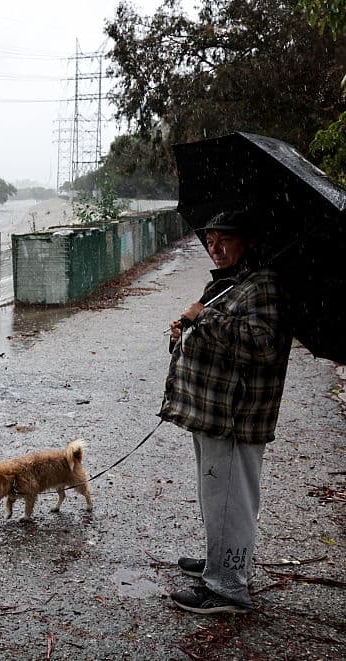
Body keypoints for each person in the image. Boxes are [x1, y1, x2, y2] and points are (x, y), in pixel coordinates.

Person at [159, 208, 293, 615]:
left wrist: (206, 318)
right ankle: (219, 561)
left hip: (236, 419)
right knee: (217, 497)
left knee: (231, 500)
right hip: (213, 415)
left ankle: (229, 586)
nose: (214, 248)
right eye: (210, 240)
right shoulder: (230, 282)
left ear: (248, 241)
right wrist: (184, 333)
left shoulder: (263, 285)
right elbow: (216, 334)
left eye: (225, 240)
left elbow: (262, 344)